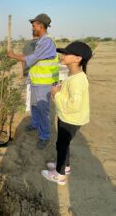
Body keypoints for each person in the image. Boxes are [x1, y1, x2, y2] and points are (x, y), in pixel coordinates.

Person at [41, 41, 92, 185]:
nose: (62, 55)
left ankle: (60, 175)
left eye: (67, 53)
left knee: (61, 146)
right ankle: (65, 167)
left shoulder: (77, 80)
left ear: (77, 58)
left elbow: (73, 105)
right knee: (64, 144)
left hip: (70, 119)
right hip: (70, 117)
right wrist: (61, 89)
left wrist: (56, 94)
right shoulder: (75, 75)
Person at [7, 14, 59, 149]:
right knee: (34, 105)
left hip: (44, 83)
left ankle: (44, 136)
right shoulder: (40, 41)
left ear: (41, 26)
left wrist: (13, 55)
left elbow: (33, 58)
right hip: (36, 81)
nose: (32, 28)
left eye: (34, 25)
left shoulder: (47, 41)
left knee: (43, 110)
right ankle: (34, 124)